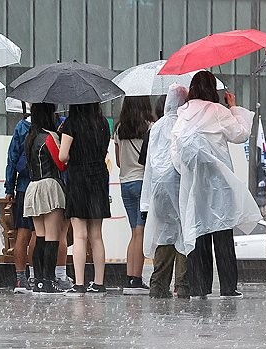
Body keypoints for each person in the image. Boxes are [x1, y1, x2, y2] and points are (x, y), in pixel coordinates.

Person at [171, 71, 259, 298]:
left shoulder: (183, 115)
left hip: (195, 185)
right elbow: (240, 134)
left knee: (199, 233)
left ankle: (200, 287)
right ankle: (228, 287)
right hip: (219, 184)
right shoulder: (218, 111)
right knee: (222, 234)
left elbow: (176, 154)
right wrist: (234, 107)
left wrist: (191, 171)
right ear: (212, 89)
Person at [59, 102, 112, 296]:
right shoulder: (103, 123)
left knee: (80, 234)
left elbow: (63, 156)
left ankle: (79, 284)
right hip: (98, 178)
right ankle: (99, 283)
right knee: (96, 235)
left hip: (78, 179)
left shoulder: (71, 123)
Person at [142, 84, 189, 299]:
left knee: (164, 237)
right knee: (184, 237)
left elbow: (150, 165)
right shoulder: (185, 125)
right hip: (181, 188)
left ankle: (158, 285)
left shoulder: (156, 127)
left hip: (160, 192)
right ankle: (183, 285)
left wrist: (146, 201)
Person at [22, 102, 67, 295]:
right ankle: (50, 280)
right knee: (52, 237)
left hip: (33, 187)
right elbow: (61, 164)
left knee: (39, 236)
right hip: (50, 186)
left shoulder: (30, 137)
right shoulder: (49, 137)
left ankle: (39, 280)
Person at [114, 96, 155, 295]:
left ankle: (130, 277)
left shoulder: (120, 128)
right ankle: (136, 280)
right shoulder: (150, 127)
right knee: (140, 233)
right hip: (142, 183)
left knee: (133, 232)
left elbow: (119, 162)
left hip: (125, 184)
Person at [4, 102, 35, 293]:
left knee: (23, 232)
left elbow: (12, 159)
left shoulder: (22, 127)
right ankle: (39, 276)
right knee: (42, 234)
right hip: (47, 184)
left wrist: (10, 187)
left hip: (24, 186)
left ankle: (21, 278)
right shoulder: (55, 125)